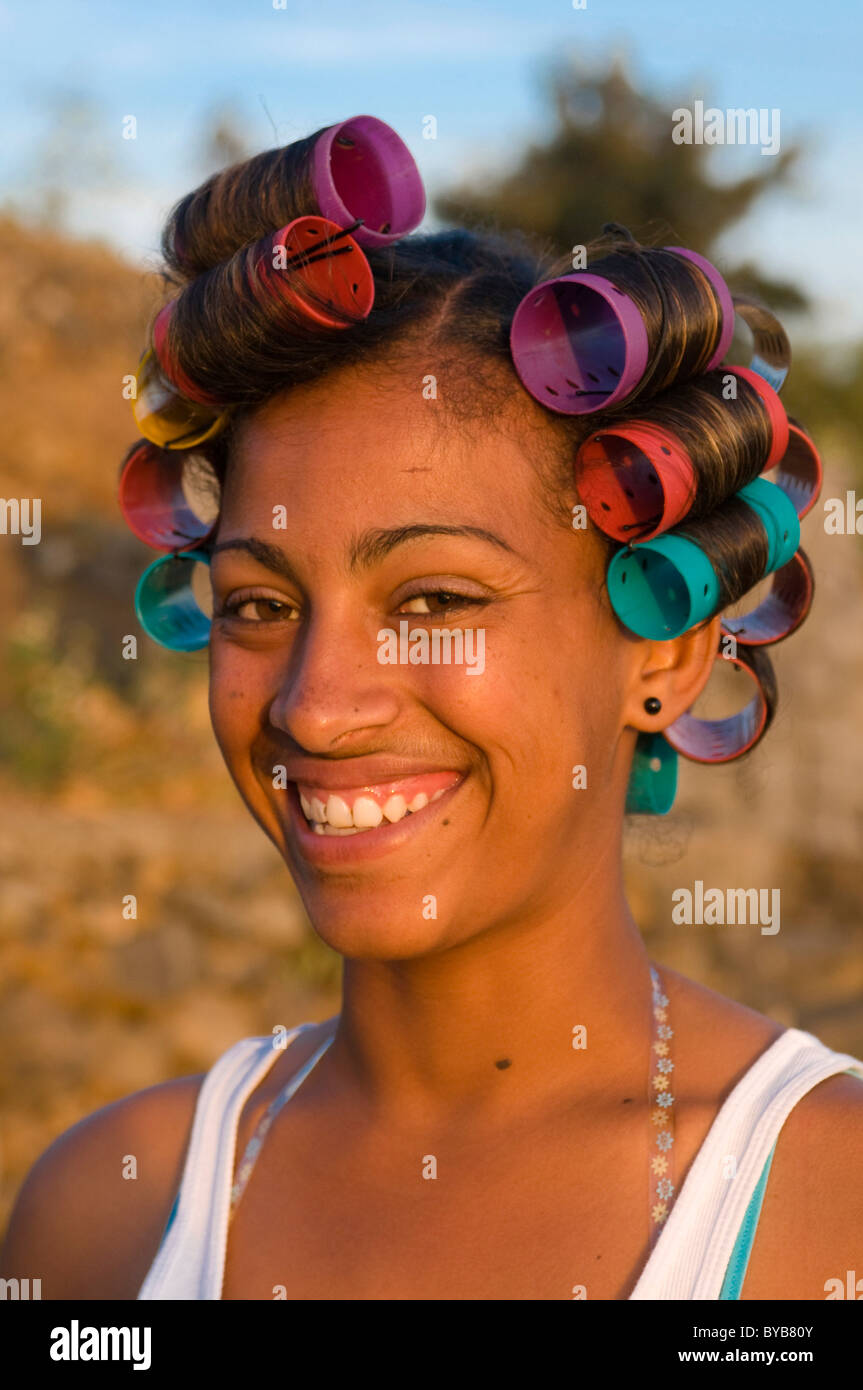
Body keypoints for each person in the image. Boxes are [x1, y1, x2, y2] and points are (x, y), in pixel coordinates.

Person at [2, 116, 862, 1302]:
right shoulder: (106, 1215)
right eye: (258, 604)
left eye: (435, 597)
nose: (316, 705)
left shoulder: (826, 1213)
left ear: (663, 644)